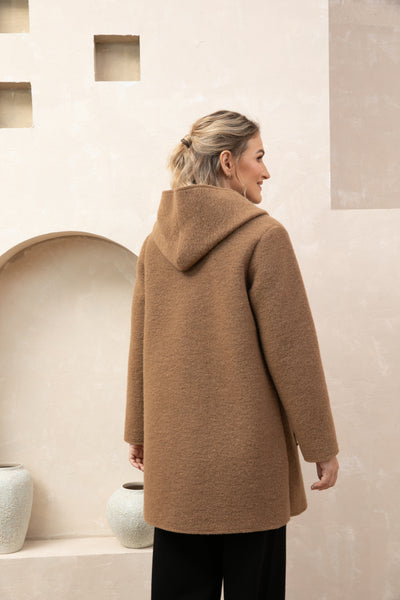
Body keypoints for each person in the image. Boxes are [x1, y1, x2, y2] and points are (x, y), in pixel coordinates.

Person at [124, 110, 339, 600]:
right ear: (227, 162)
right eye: (258, 157)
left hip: (176, 467)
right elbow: (293, 354)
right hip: (249, 469)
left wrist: (138, 431)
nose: (266, 171)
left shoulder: (154, 245)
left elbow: (141, 345)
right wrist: (320, 444)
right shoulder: (264, 236)